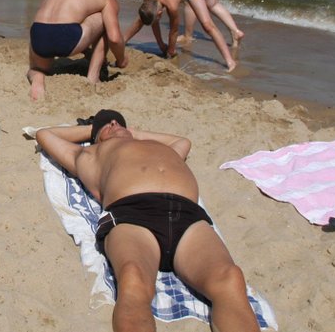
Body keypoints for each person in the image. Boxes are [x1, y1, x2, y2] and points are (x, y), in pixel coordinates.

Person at [33, 111, 260, 332]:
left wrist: (132, 132)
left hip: (187, 215)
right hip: (133, 214)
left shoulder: (162, 148)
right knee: (134, 280)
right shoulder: (90, 154)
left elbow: (183, 141)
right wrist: (93, 130)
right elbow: (45, 135)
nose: (115, 124)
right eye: (108, 125)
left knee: (230, 280)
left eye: (119, 121)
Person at [27, 0, 126, 101]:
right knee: (108, 20)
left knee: (36, 69)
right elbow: (114, 39)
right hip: (66, 37)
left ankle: (37, 78)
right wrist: (121, 60)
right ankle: (93, 77)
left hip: (38, 35)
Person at [124, 0, 237, 72]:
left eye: (157, 19)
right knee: (142, 18)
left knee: (207, 25)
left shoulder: (171, 6)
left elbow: (174, 31)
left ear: (160, 13)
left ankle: (230, 61)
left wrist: (170, 51)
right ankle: (123, 40)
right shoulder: (148, 0)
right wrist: (161, 44)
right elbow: (153, 22)